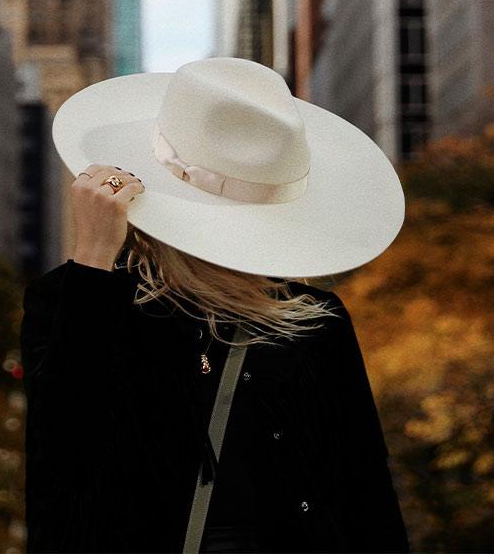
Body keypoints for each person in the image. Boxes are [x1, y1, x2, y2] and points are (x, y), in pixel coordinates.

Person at [20, 56, 411, 554]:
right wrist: (93, 257)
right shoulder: (79, 299)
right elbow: (62, 448)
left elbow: (363, 489)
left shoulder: (315, 319)